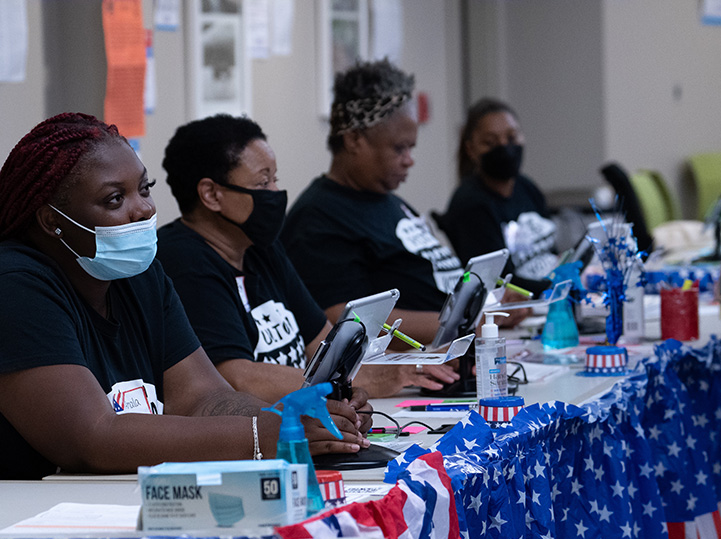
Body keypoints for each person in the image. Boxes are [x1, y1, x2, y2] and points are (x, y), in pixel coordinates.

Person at [0, 113, 293, 479]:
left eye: (144, 188)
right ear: (51, 220)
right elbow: (91, 437)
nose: (144, 209)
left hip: (119, 503)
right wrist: (260, 436)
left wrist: (295, 419)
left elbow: (205, 399)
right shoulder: (14, 284)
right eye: (114, 199)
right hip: (26, 520)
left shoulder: (139, 273)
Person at [157, 114, 446, 399]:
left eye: (275, 179)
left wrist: (413, 364)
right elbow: (237, 378)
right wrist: (355, 384)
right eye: (262, 183)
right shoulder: (184, 260)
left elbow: (326, 349)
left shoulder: (261, 248)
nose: (276, 192)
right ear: (211, 194)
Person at [280, 58, 469, 358]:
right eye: (399, 148)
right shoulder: (317, 218)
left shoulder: (390, 200)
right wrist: (464, 322)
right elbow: (344, 321)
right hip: (407, 369)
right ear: (354, 138)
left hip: (453, 349)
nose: (409, 160)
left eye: (411, 148)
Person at [437, 98, 556, 296]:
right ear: (471, 149)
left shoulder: (526, 187)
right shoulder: (471, 205)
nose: (504, 146)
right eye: (490, 142)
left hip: (551, 301)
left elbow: (552, 250)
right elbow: (499, 282)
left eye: (511, 137)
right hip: (518, 310)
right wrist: (560, 287)